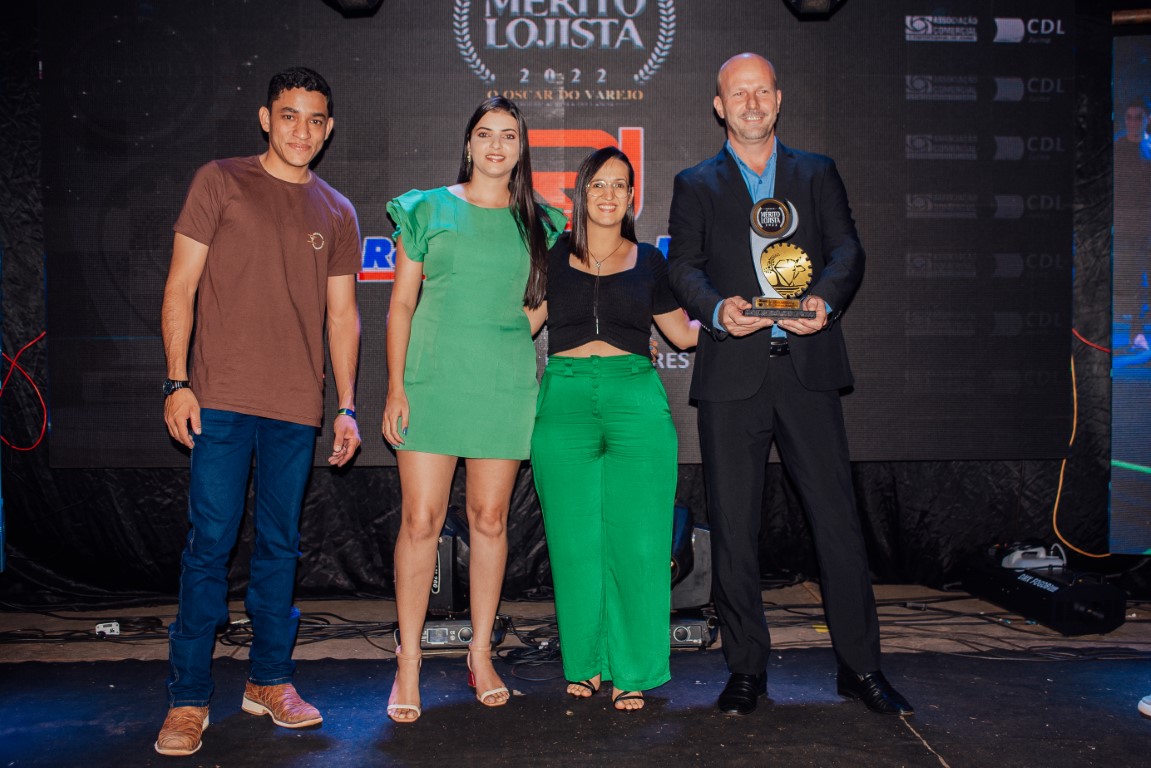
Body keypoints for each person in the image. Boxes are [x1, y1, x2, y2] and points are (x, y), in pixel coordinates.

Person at [666, 52, 913, 717]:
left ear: (777, 100)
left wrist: (824, 301)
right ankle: (746, 669)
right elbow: (682, 265)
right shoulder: (695, 183)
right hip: (733, 373)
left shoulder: (816, 172)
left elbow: (847, 250)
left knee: (837, 522)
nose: (750, 103)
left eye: (761, 92)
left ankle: (860, 668)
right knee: (734, 528)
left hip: (807, 367)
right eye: (737, 93)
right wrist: (717, 309)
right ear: (718, 106)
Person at [155, 67, 362, 756]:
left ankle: (269, 680)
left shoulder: (337, 210)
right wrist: (176, 382)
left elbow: (342, 317)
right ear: (266, 118)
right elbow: (180, 287)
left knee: (280, 547)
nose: (302, 130)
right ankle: (188, 698)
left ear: (328, 129)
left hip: (296, 406)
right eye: (289, 115)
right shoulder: (218, 181)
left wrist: (347, 406)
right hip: (218, 399)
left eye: (315, 119)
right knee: (209, 546)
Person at [382, 96, 566, 723]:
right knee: (421, 522)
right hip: (431, 382)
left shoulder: (541, 221)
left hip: (502, 386)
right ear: (469, 143)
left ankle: (481, 655)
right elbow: (401, 305)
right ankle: (408, 663)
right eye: (485, 134)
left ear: (521, 147)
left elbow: (543, 303)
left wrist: (509, 334)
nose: (496, 146)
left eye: (509, 136)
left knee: (490, 520)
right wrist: (396, 387)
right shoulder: (426, 208)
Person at [528, 147, 699, 712]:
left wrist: (745, 312)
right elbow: (521, 324)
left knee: (640, 543)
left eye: (619, 185)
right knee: (575, 544)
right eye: (597, 184)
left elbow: (682, 334)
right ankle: (586, 663)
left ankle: (633, 670)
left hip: (636, 402)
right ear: (581, 194)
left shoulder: (650, 261)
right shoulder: (551, 256)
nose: (608, 195)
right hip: (565, 401)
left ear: (631, 197)